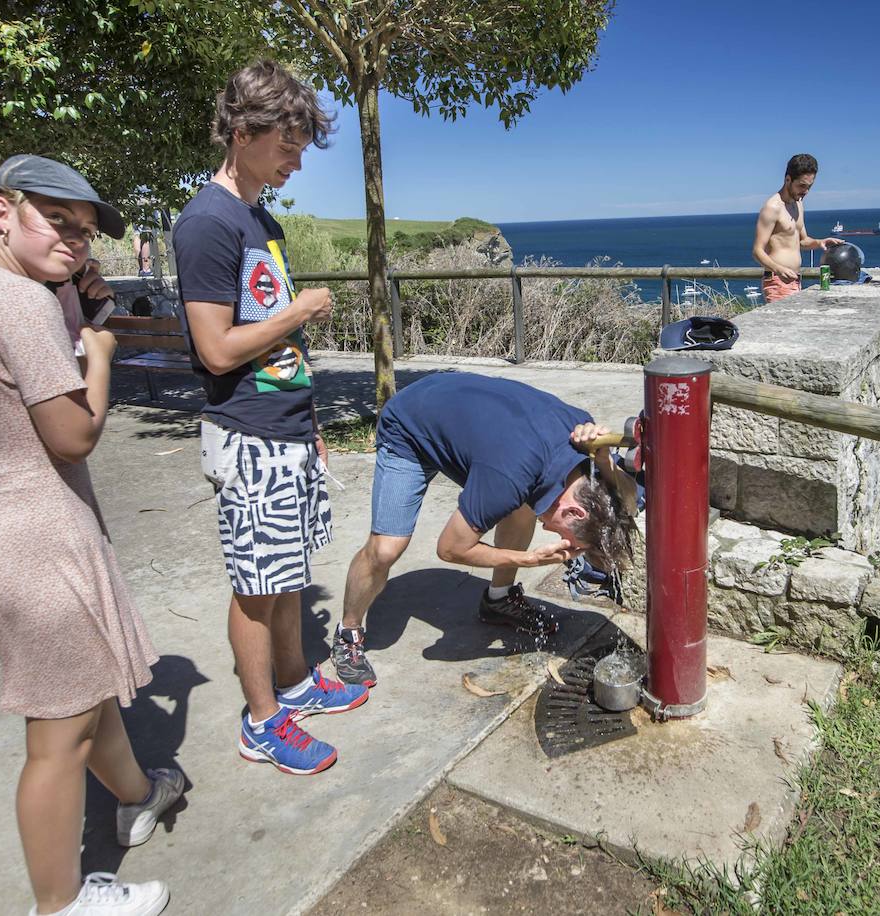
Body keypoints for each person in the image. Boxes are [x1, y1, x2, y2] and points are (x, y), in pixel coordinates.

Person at [0, 154, 182, 916]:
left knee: (86, 696)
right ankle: (60, 904)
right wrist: (98, 356)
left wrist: (74, 313)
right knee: (56, 744)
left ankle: (137, 798)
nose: (75, 241)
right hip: (36, 549)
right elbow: (71, 435)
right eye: (57, 222)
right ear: (2, 211)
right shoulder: (20, 303)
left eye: (86, 232)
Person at [173, 60, 367, 778]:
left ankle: (293, 684)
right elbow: (217, 349)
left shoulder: (262, 220)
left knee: (287, 571)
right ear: (245, 131)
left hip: (285, 428)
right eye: (287, 143)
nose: (296, 158)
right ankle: (262, 722)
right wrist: (299, 310)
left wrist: (307, 418)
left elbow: (276, 347)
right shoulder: (206, 224)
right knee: (255, 585)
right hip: (246, 435)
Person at [330, 372, 639, 687]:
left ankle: (499, 600)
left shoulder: (585, 449)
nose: (557, 538)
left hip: (460, 408)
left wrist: (606, 461)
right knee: (386, 548)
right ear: (574, 510)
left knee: (525, 506)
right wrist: (530, 560)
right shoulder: (508, 480)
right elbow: (451, 548)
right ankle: (347, 632)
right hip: (409, 423)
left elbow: (628, 497)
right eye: (568, 540)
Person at [751, 153, 842, 302]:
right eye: (801, 185)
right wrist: (778, 269)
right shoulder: (772, 207)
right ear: (788, 179)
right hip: (777, 282)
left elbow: (802, 241)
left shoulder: (798, 204)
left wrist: (820, 242)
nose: (805, 191)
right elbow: (757, 251)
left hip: (795, 280)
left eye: (809, 187)